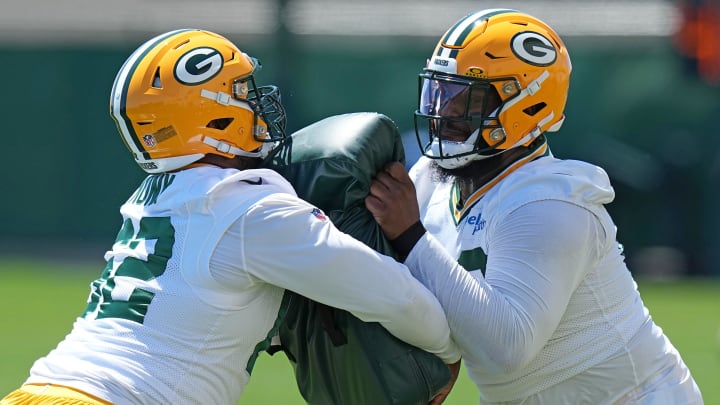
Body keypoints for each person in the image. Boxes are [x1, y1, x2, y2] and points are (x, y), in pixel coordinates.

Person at [0, 29, 460, 405]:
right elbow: (392, 295)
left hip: (40, 390)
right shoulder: (248, 209)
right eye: (241, 91)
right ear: (211, 118)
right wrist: (447, 350)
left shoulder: (153, 195)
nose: (257, 102)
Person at [365, 9, 704, 404]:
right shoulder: (429, 181)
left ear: (527, 105)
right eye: (439, 93)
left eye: (464, 99)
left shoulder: (549, 202)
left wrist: (411, 236)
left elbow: (507, 348)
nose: (444, 113)